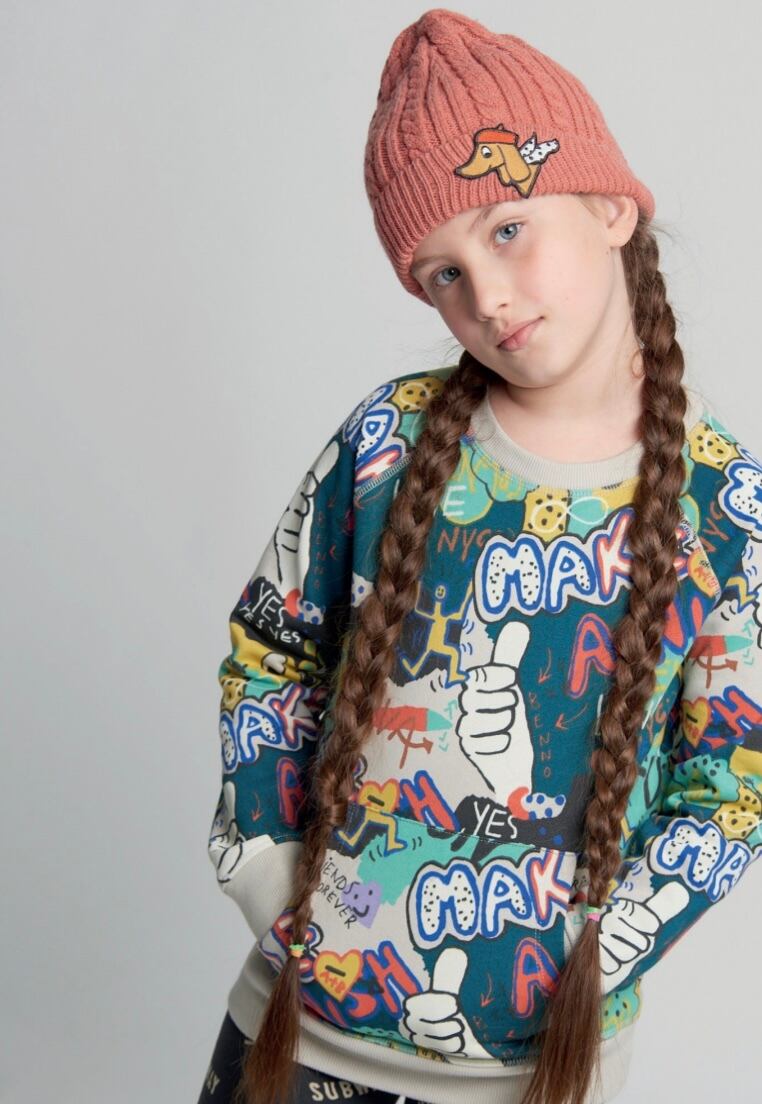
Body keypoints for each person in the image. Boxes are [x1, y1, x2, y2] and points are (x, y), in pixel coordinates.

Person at [198, 9, 762, 1104]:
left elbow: (731, 784)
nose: (486, 296)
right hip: (293, 1039)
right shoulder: (386, 444)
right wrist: (266, 872)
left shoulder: (725, 503)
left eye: (507, 230)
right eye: (441, 273)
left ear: (611, 206)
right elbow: (272, 652)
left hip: (538, 1068)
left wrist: (601, 953)